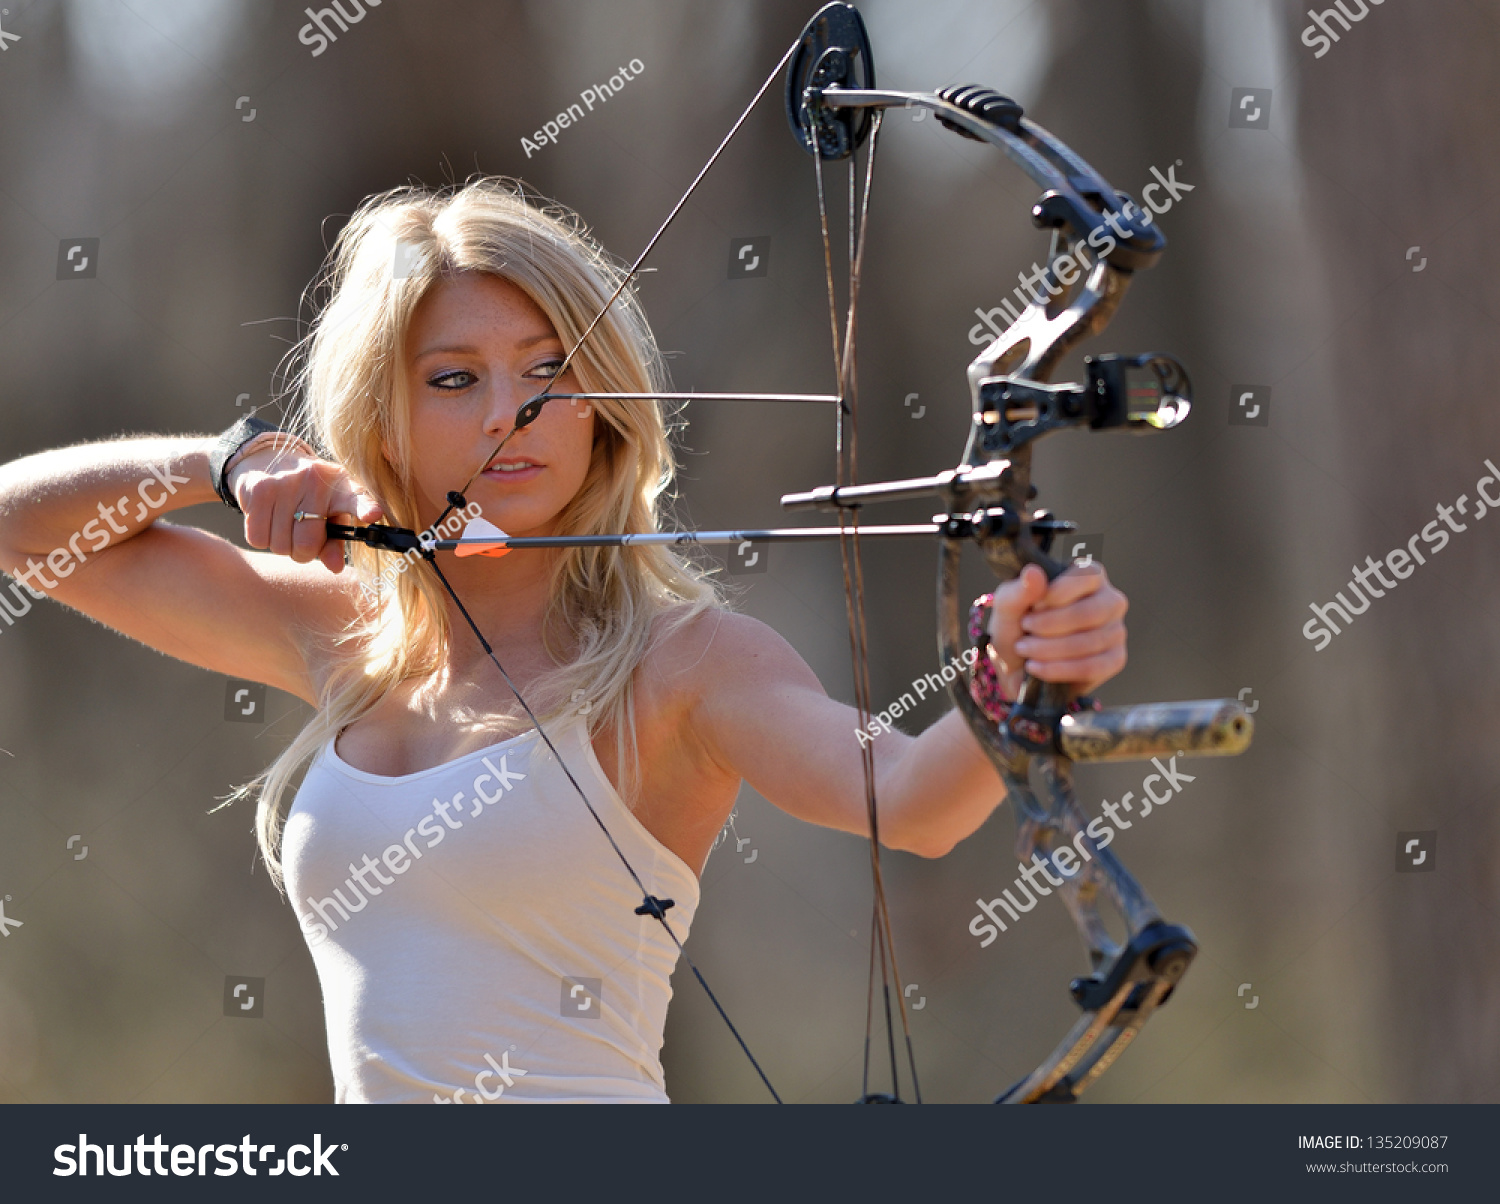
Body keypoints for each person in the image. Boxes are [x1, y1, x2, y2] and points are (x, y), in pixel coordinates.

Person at [0, 178, 1128, 1103]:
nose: (510, 415)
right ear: (381, 415)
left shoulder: (681, 665)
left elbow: (916, 801)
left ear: (606, 406)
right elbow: (21, 529)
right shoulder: (344, 635)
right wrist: (223, 459)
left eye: (551, 373)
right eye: (455, 379)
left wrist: (1026, 672)